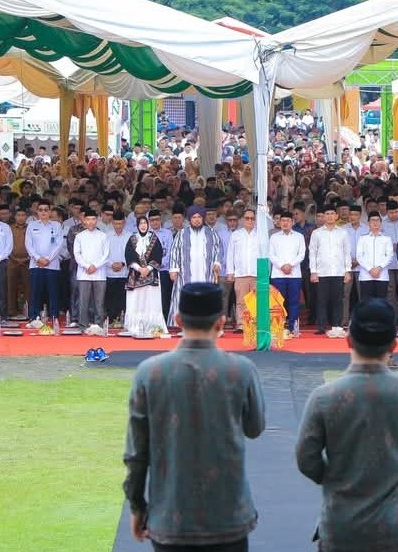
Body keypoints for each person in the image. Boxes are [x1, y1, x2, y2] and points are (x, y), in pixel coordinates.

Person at [123, 283, 265, 550]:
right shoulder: (241, 370)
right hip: (228, 518)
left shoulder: (149, 373)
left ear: (178, 320)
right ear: (221, 322)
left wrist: (137, 506)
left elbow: (136, 453)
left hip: (171, 519)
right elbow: (255, 427)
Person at [295, 298, 398, 552]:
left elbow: (305, 459)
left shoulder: (324, 397)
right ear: (394, 344)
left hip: (341, 529)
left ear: (348, 340)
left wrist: (335, 479)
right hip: (395, 530)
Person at [169, 205, 224, 328]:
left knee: (206, 297)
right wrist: (173, 269)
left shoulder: (211, 233)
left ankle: (207, 324)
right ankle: (183, 325)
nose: (197, 220)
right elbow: (174, 251)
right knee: (185, 297)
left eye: (199, 217)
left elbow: (219, 249)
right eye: (194, 217)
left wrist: (217, 263)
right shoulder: (182, 233)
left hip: (206, 273)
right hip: (185, 274)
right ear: (189, 219)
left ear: (203, 218)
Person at [309, 204, 350, 334]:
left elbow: (347, 252)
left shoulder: (343, 233)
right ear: (323, 217)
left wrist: (347, 270)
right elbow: (312, 253)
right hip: (322, 272)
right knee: (321, 300)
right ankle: (321, 326)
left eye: (332, 213)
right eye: (327, 214)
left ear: (336, 216)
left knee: (338, 300)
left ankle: (336, 325)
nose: (330, 216)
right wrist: (313, 271)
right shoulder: (316, 233)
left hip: (338, 271)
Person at [123, 216, 168, 337]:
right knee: (136, 302)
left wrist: (148, 268)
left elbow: (158, 255)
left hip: (151, 275)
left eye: (145, 223)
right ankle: (134, 327)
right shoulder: (132, 239)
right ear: (137, 225)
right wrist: (139, 269)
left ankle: (153, 327)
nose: (143, 225)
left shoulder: (154, 238)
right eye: (141, 223)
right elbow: (128, 255)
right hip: (135, 275)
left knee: (151, 302)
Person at [269, 209, 306, 334]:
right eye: (283, 221)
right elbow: (271, 254)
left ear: (292, 222)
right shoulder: (274, 237)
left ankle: (292, 326)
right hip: (277, 274)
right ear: (279, 222)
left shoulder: (299, 237)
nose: (285, 223)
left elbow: (301, 254)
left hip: (294, 274)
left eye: (288, 221)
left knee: (294, 301)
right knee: (279, 301)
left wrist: (290, 265)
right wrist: (282, 266)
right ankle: (279, 326)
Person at [25, 201, 63, 322]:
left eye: (46, 210)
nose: (43, 212)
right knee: (35, 292)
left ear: (50, 211)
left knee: (53, 292)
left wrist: (48, 259)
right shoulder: (31, 225)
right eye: (40, 210)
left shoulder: (57, 225)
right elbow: (28, 244)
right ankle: (34, 317)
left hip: (52, 265)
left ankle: (54, 317)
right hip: (36, 265)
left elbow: (59, 245)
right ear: (37, 212)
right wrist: (38, 258)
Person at [73, 210, 109, 330]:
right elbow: (77, 254)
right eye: (88, 219)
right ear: (84, 220)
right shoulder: (79, 236)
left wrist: (95, 266)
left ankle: (98, 325)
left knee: (99, 302)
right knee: (83, 302)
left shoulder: (103, 236)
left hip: (100, 274)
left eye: (93, 219)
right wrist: (86, 266)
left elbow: (106, 255)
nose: (91, 222)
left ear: (97, 220)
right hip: (84, 273)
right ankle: (83, 325)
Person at [226, 208, 259, 332]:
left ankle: (254, 325)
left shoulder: (261, 235)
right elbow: (230, 254)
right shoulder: (236, 235)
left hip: (257, 273)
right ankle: (241, 325)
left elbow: (266, 254)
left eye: (252, 218)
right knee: (241, 301)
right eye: (247, 218)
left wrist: (265, 272)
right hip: (240, 273)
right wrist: (230, 272)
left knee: (256, 301)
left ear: (255, 220)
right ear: (242, 220)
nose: (250, 220)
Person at [356, 212, 393, 301]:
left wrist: (379, 268)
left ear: (381, 222)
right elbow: (359, 256)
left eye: (377, 220)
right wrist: (370, 269)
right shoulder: (362, 238)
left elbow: (389, 256)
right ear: (368, 223)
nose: (375, 222)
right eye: (372, 220)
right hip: (366, 276)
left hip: (382, 276)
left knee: (381, 303)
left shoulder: (387, 239)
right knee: (366, 303)